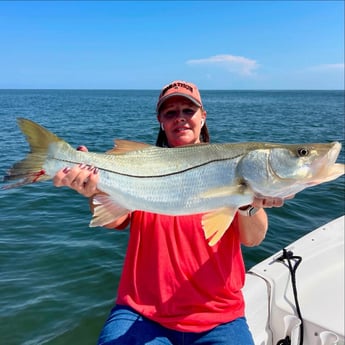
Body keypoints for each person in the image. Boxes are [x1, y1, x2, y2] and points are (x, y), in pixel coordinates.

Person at [53, 81, 287, 345]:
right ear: (161, 121)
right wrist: (94, 190)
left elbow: (253, 239)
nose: (181, 119)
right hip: (141, 313)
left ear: (203, 116)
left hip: (220, 317)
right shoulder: (141, 164)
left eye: (188, 110)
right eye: (170, 113)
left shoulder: (231, 166)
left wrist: (247, 202)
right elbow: (115, 219)